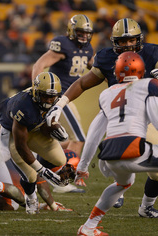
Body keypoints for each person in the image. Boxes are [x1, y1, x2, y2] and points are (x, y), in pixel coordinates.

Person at [47, 18, 158, 210]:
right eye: (122, 41)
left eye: (131, 40)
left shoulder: (152, 53)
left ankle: (146, 206)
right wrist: (62, 102)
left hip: (147, 114)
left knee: (154, 174)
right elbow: (82, 83)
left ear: (139, 39)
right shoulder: (106, 60)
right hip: (120, 117)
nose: (127, 45)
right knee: (120, 155)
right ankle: (120, 188)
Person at [77, 52, 158, 235]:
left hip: (109, 156)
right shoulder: (148, 85)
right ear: (142, 69)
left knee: (123, 184)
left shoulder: (106, 94)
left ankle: (89, 227)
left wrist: (82, 165)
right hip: (134, 150)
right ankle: (146, 207)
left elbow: (94, 133)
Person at [0, 71, 71, 214]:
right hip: (11, 132)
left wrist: (54, 126)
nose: (50, 100)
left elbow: (45, 119)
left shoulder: (54, 100)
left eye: (52, 97)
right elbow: (21, 146)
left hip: (33, 128)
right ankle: (31, 197)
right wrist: (42, 171)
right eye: (46, 96)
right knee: (30, 175)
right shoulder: (23, 106)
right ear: (36, 93)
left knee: (60, 159)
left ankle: (39, 170)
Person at [32, 14, 94, 156]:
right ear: (72, 30)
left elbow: (97, 69)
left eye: (87, 33)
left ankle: (43, 160)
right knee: (78, 138)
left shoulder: (88, 49)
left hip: (68, 98)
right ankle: (70, 176)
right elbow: (39, 65)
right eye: (81, 32)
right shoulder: (63, 44)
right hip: (58, 97)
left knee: (71, 139)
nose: (84, 36)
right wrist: (37, 92)